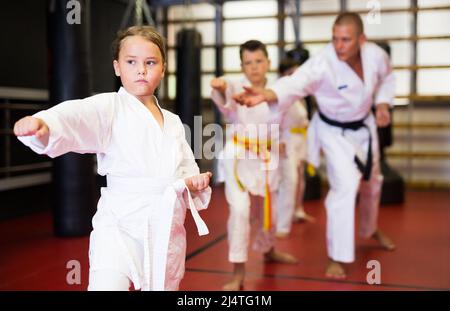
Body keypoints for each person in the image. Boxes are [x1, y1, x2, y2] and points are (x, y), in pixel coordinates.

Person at [14, 25, 212, 291]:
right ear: (117, 67)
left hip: (164, 225)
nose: (141, 69)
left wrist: (194, 182)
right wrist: (44, 125)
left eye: (150, 62)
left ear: (163, 68)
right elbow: (77, 115)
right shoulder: (109, 107)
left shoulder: (174, 122)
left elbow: (185, 167)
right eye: (132, 62)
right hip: (119, 224)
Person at [233, 13, 396, 279]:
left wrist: (383, 103)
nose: (339, 45)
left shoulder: (376, 55)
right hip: (333, 131)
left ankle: (370, 229)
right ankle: (337, 257)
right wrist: (269, 93)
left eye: (345, 39)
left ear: (362, 40)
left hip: (364, 127)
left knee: (373, 182)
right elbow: (295, 83)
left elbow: (388, 78)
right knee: (344, 187)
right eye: (335, 38)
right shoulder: (322, 63)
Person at [210, 40, 298, 291]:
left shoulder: (278, 90)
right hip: (238, 158)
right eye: (248, 63)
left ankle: (269, 250)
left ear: (268, 63)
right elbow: (224, 94)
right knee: (240, 210)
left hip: (267, 157)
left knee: (266, 211)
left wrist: (281, 143)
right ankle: (238, 272)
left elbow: (286, 119)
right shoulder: (237, 86)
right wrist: (219, 86)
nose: (254, 67)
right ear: (242, 66)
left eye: (259, 61)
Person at [275, 57, 315, 239]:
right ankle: (282, 224)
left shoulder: (299, 95)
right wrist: (278, 139)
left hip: (301, 138)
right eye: (291, 73)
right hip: (287, 138)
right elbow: (274, 118)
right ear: (283, 75)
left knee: (300, 177)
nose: (295, 76)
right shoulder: (279, 93)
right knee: (289, 180)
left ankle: (297, 210)